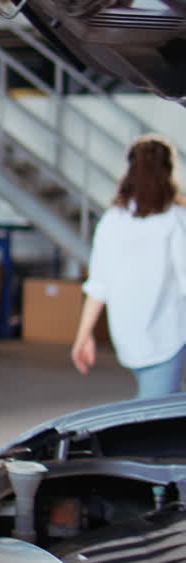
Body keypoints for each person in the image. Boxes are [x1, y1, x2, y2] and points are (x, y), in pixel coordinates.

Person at [72, 134, 186, 398]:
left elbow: (98, 285)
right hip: (169, 337)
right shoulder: (177, 221)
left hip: (128, 338)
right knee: (156, 419)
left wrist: (83, 334)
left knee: (163, 405)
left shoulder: (112, 221)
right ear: (168, 172)